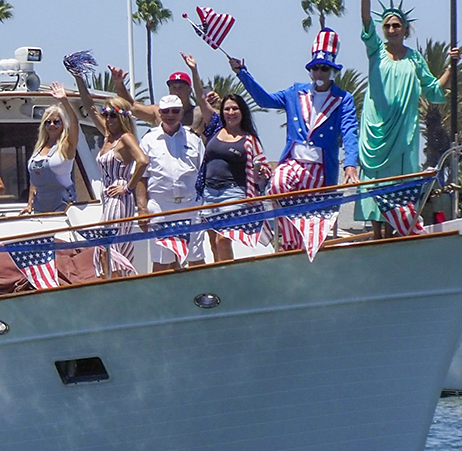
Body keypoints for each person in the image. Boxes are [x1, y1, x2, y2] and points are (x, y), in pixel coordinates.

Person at [229, 29, 360, 251]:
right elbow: (265, 101)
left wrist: (350, 164)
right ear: (310, 70)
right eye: (315, 68)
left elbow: (349, 131)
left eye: (324, 68)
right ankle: (290, 243)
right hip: (293, 161)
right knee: (277, 187)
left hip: (320, 169)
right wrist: (243, 73)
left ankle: (303, 246)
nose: (319, 72)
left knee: (311, 214)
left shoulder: (342, 99)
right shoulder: (295, 92)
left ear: (332, 71)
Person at [357, 0, 460, 237]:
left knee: (399, 187)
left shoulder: (415, 58)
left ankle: (396, 235)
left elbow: (433, 89)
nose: (392, 29)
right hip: (376, 131)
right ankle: (376, 236)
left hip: (403, 134)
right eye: (388, 25)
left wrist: (452, 66)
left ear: (405, 29)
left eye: (397, 25)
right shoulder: (375, 51)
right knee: (375, 186)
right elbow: (365, 19)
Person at [71, 69, 148, 275]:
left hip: (120, 199)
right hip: (107, 198)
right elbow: (88, 105)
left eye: (113, 115)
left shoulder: (125, 138)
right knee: (105, 249)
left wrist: (128, 188)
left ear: (121, 117)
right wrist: (78, 77)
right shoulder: (107, 136)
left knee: (110, 248)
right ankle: (111, 282)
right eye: (106, 114)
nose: (108, 118)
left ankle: (115, 283)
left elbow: (142, 161)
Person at [199, 94, 270, 262]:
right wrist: (194, 71)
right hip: (209, 193)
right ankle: (219, 279)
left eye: (235, 108)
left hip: (233, 193)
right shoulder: (216, 129)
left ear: (242, 112)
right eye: (227, 109)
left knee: (223, 239)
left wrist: (260, 173)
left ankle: (227, 277)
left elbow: (263, 166)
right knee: (213, 243)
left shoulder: (249, 139)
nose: (231, 112)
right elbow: (201, 102)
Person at [138, 95, 205, 271]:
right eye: (166, 111)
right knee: (162, 261)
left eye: (175, 111)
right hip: (160, 207)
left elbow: (204, 174)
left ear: (182, 113)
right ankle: (160, 298)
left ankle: (200, 296)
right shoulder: (148, 140)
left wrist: (206, 206)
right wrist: (142, 209)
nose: (171, 115)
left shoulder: (193, 139)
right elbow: (141, 177)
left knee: (196, 258)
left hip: (191, 206)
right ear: (159, 113)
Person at [109, 57, 208, 136]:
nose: (177, 91)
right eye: (174, 87)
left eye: (181, 87)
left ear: (190, 90)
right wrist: (119, 84)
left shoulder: (200, 113)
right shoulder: (158, 112)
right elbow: (132, 107)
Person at [22, 83, 80, 214]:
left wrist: (64, 101)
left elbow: (75, 124)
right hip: (40, 206)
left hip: (62, 205)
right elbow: (34, 180)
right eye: (48, 122)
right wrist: (29, 204)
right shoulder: (38, 149)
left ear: (62, 124)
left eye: (56, 121)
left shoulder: (66, 145)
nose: (52, 125)